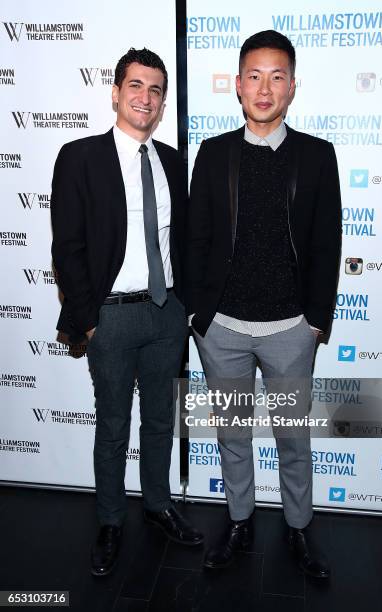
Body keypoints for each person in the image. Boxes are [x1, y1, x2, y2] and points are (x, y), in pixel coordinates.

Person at [186, 30, 341, 578]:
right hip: (221, 330)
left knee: (293, 440)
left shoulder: (318, 157)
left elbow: (327, 244)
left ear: (292, 87)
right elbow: (194, 239)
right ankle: (239, 519)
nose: (265, 87)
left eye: (277, 76)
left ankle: (299, 529)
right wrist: (197, 316)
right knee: (231, 436)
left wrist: (316, 322)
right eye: (254, 75)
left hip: (290, 332)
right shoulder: (213, 153)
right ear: (237, 84)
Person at [51, 47, 203, 577]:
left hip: (167, 314)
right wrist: (88, 316)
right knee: (113, 425)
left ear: (162, 102)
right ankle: (111, 521)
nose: (146, 97)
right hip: (110, 318)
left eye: (156, 89)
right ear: (116, 92)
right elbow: (67, 246)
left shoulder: (174, 162)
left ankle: (159, 505)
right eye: (136, 86)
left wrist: (187, 307)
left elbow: (184, 239)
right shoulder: (79, 156)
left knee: (162, 421)